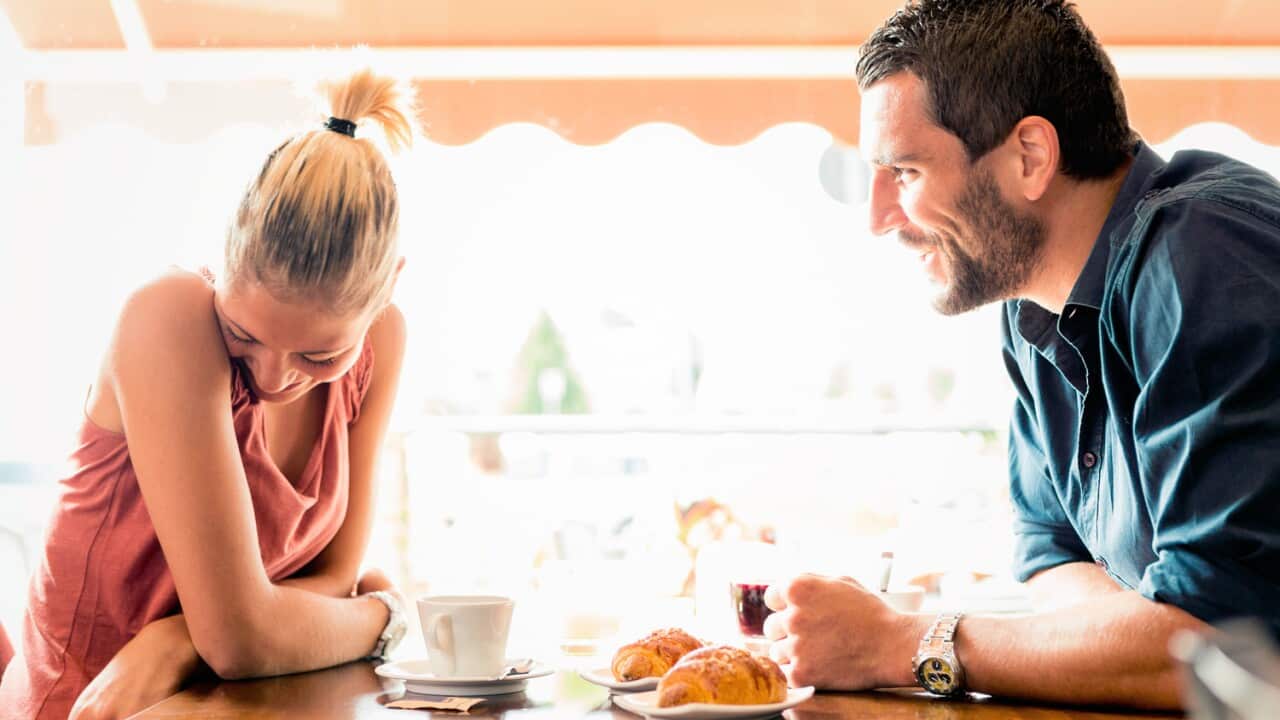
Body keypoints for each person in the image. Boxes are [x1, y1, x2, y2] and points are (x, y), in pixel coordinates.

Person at [762, 0, 1280, 710]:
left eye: (906, 172)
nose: (878, 217)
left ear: (1030, 156)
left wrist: (900, 643)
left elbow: (1227, 654)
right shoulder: (1034, 304)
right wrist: (1138, 638)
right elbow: (1047, 549)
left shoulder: (1204, 254)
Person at [0, 69, 414, 720]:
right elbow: (245, 639)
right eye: (242, 334)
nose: (274, 378)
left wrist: (181, 635)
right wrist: (389, 613)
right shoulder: (167, 317)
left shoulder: (383, 343)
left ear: (388, 288)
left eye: (319, 354)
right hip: (85, 708)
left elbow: (331, 580)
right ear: (223, 260)